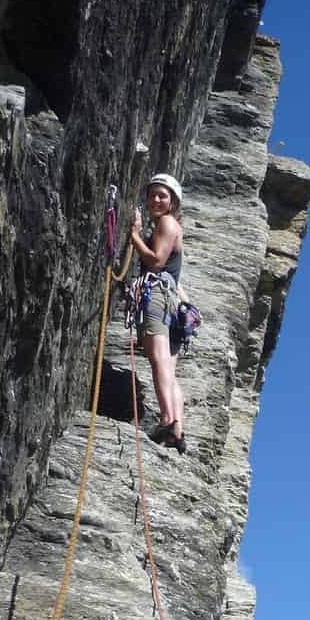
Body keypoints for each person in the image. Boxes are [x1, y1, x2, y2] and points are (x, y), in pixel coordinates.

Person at [130, 173, 187, 453]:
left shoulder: (166, 223)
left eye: (162, 195)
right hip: (171, 298)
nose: (155, 199)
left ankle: (167, 420)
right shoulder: (174, 228)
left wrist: (135, 237)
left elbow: (155, 261)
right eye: (152, 194)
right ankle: (177, 428)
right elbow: (175, 276)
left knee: (159, 359)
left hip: (157, 295)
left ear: (172, 202)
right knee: (169, 367)